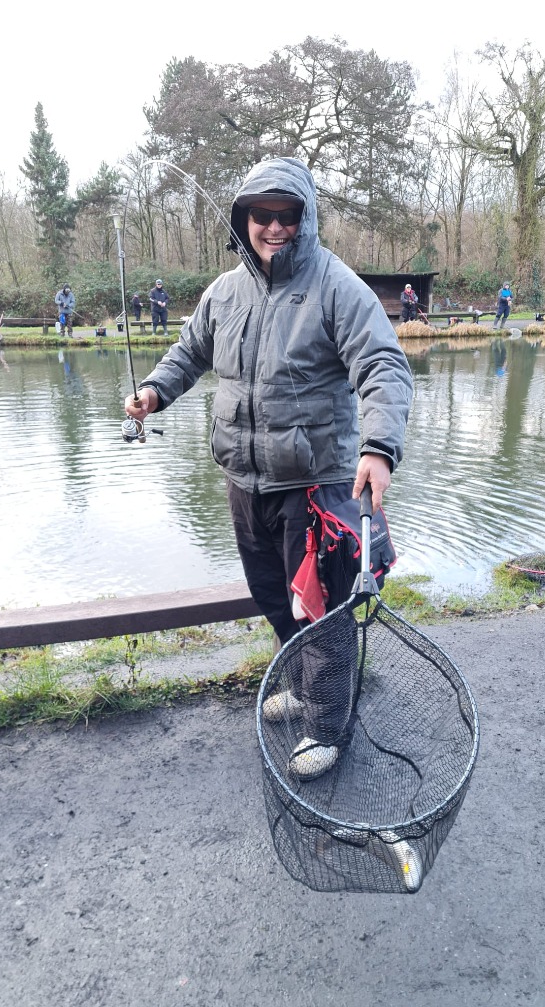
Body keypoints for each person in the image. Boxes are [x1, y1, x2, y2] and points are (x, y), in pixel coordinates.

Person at [124, 157, 413, 781]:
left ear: (306, 219)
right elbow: (188, 353)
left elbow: (383, 366)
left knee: (322, 612)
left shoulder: (336, 285)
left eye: (287, 214)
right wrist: (153, 391)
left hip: (315, 484)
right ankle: (305, 693)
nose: (274, 226)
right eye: (262, 214)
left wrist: (378, 448)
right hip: (245, 481)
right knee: (274, 598)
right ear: (244, 220)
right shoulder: (224, 292)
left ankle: (328, 728)